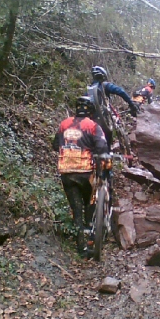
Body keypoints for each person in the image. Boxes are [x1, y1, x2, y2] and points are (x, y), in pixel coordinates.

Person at [52, 96, 108, 257]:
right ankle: (91, 235)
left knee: (76, 210)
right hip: (85, 172)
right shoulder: (93, 126)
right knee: (89, 204)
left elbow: (55, 145)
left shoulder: (64, 124)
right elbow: (102, 146)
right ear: (91, 110)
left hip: (66, 172)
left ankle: (81, 248)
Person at [85, 66, 139, 150]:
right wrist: (131, 103)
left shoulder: (88, 91)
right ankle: (108, 154)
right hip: (103, 122)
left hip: (90, 121)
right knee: (108, 135)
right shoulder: (104, 85)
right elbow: (121, 91)